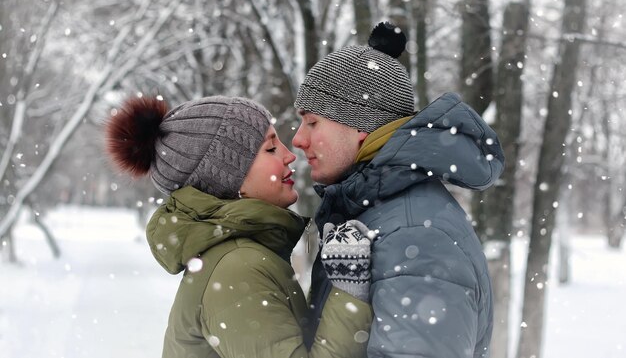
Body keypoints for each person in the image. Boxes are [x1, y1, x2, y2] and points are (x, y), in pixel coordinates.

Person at [292, 22, 505, 358]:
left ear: (360, 125)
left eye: (312, 121)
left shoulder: (415, 234)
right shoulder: (380, 213)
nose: (298, 139)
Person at [104, 95, 374, 358]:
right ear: (229, 181)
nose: (289, 155)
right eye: (270, 148)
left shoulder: (239, 255)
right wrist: (348, 289)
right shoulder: (236, 269)